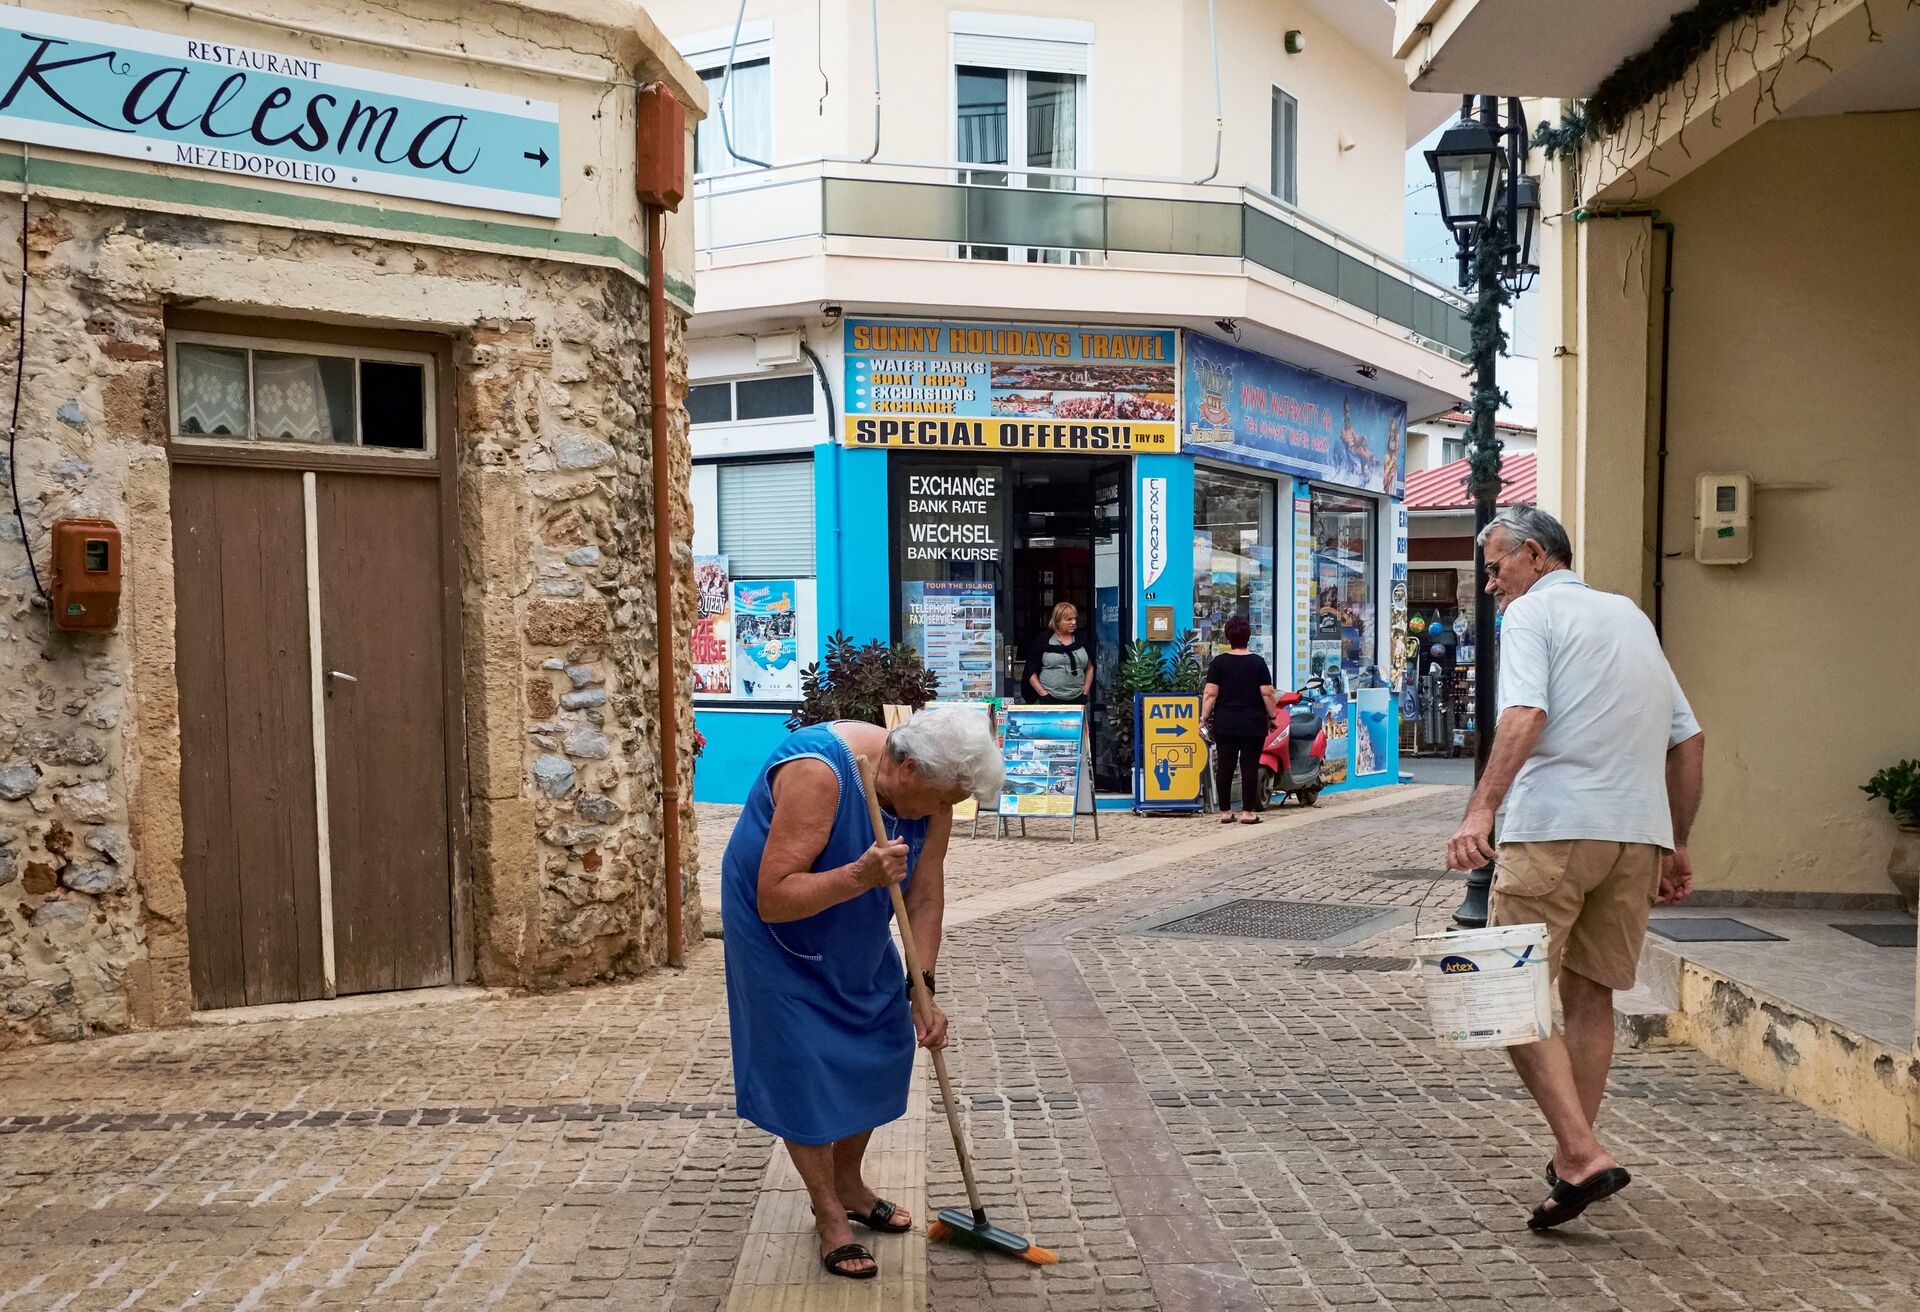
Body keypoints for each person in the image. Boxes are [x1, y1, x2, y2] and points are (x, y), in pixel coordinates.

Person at [1444, 505, 1704, 1232]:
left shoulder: (1530, 615)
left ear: (1532, 555)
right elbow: (1689, 740)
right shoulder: (1628, 616)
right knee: (1591, 999)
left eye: (1495, 567)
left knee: (1499, 989)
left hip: (1556, 829)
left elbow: (1525, 714)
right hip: (1634, 837)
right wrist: (1676, 842)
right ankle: (1572, 1163)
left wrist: (1478, 812)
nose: (1491, 584)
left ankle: (1583, 1155)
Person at [722, 708, 1004, 1280]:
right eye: (944, 796)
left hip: (852, 913)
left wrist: (922, 986)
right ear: (905, 770)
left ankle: (848, 1182)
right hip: (774, 932)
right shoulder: (820, 774)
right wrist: (860, 876)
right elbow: (775, 896)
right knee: (801, 1062)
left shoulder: (935, 799)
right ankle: (829, 1213)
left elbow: (925, 897)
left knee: (881, 1044)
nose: (948, 809)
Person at [1201, 615, 1279, 824]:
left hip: (1225, 724)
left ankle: (1225, 812)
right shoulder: (1258, 663)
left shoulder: (1219, 663)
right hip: (1252, 723)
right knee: (1249, 766)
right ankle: (1247, 812)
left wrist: (1203, 718)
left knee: (1225, 766)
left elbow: (1210, 694)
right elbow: (1267, 694)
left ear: (1228, 637)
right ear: (1249, 637)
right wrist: (1272, 717)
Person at [1025, 601, 1095, 704]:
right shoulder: (1044, 640)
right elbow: (1030, 669)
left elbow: (1090, 667)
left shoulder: (1081, 639)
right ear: (1057, 621)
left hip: (1078, 697)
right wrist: (1043, 693)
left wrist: (1085, 691)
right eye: (1069, 619)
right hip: (1050, 697)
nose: (1074, 622)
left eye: (1075, 618)